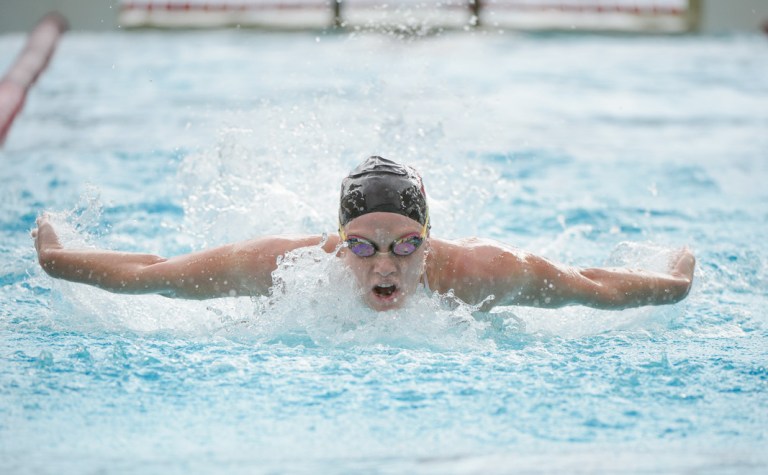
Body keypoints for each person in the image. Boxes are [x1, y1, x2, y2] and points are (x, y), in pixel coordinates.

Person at [32, 156, 695, 312]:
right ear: (336, 240)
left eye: (405, 244)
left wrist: (674, 282)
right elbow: (155, 271)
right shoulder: (281, 268)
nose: (385, 263)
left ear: (429, 242)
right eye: (363, 244)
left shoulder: (477, 273)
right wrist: (63, 262)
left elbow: (592, 289)